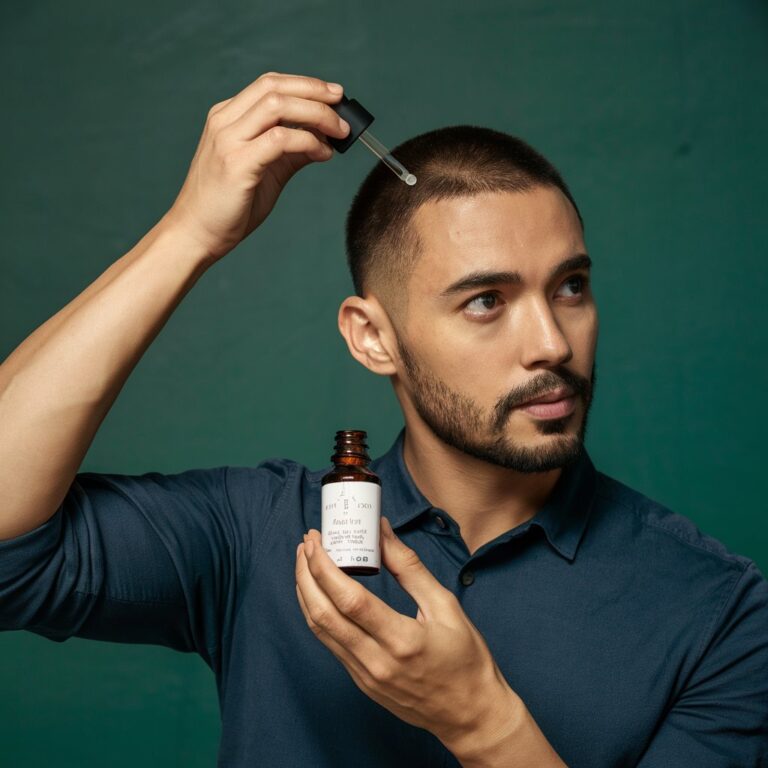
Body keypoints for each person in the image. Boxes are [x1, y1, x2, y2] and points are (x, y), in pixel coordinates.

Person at [0, 71, 766, 768]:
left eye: (570, 287)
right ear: (373, 338)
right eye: (485, 301)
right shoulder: (259, 537)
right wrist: (189, 233)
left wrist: (484, 726)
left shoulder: (720, 613)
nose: (553, 344)